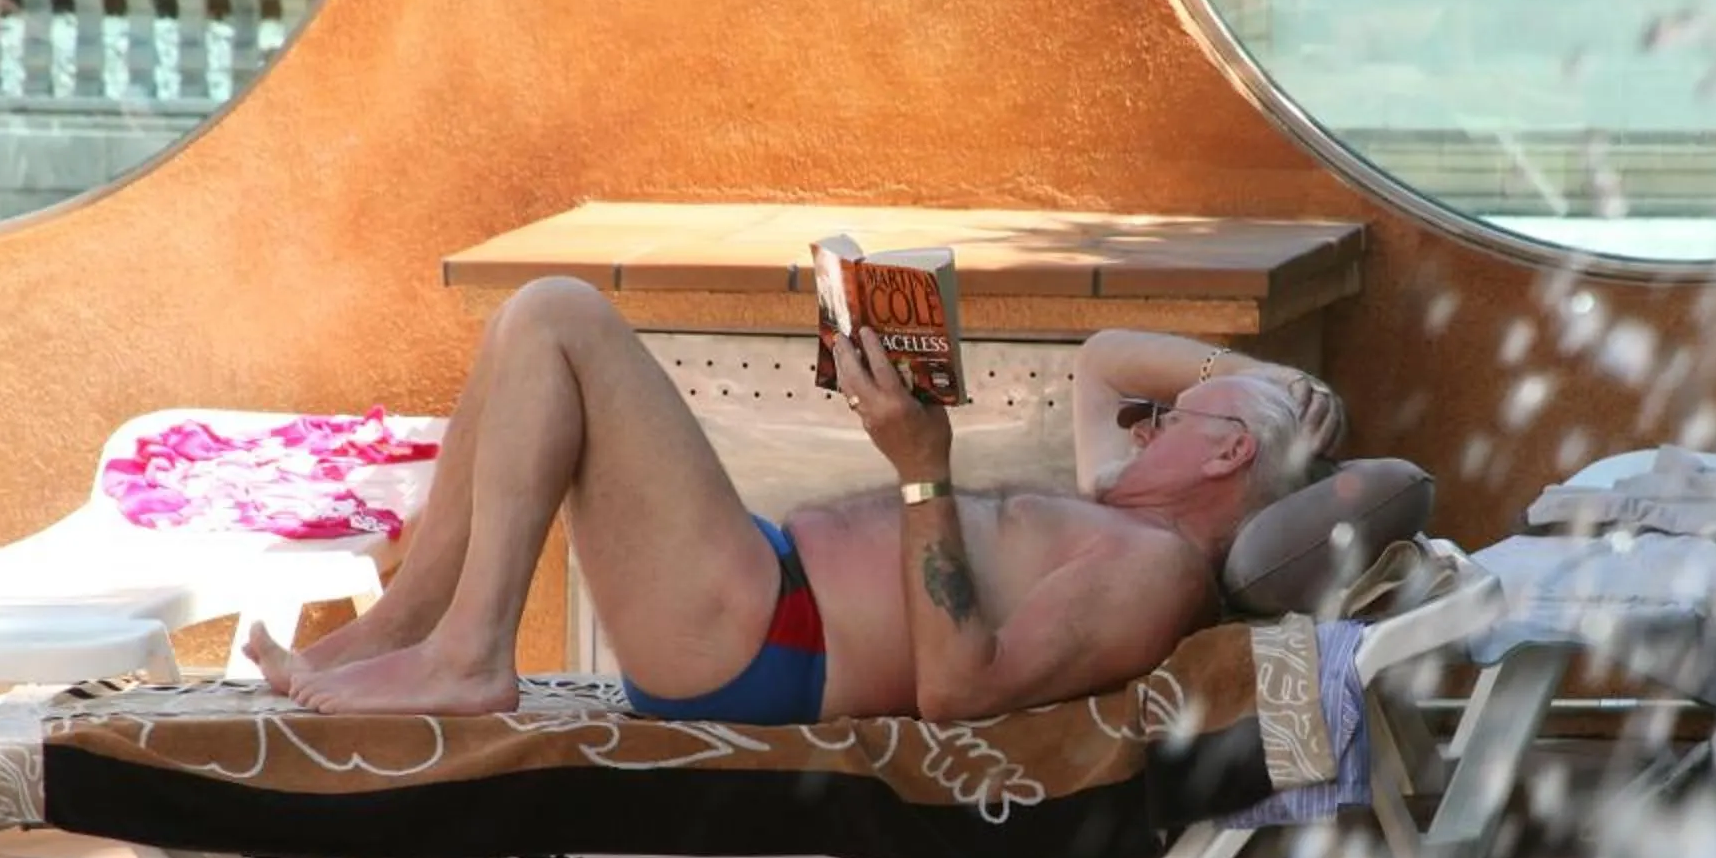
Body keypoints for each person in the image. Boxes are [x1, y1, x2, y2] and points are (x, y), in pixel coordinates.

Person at [246, 276, 1346, 723]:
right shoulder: (1122, 501)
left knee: (557, 316)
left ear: (1226, 456)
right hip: (755, 586)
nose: (1152, 413)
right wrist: (1271, 389)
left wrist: (923, 467)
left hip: (765, 636)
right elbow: (1110, 354)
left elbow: (963, 689)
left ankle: (471, 654)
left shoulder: (1150, 569)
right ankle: (410, 626)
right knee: (524, 333)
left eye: (1188, 412)